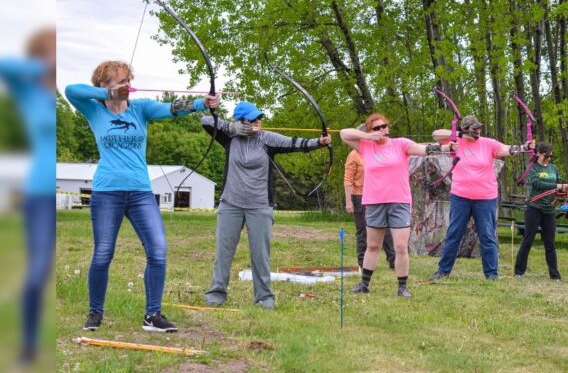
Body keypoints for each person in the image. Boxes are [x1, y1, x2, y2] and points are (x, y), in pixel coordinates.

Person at [64, 60, 220, 333]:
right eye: (120, 81)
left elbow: (171, 108)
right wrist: (109, 96)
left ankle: (153, 316)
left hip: (140, 192)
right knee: (102, 254)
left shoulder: (141, 109)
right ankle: (95, 312)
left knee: (158, 251)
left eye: (128, 80)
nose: (126, 85)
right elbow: (70, 90)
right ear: (104, 84)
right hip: (106, 192)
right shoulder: (93, 110)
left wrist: (201, 103)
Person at [203, 101, 332, 309]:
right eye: (253, 119)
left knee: (260, 255)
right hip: (230, 204)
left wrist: (319, 142)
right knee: (223, 253)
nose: (258, 122)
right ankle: (216, 294)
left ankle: (264, 298)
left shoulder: (267, 139)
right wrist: (233, 128)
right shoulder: (229, 138)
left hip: (260, 205)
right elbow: (207, 121)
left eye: (259, 118)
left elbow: (294, 142)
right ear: (242, 121)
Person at [340, 113, 455, 297]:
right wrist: (368, 136)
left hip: (399, 201)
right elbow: (344, 133)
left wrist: (446, 147)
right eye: (376, 128)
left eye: (384, 126)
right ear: (370, 131)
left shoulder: (400, 143)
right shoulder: (366, 147)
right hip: (375, 201)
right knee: (372, 245)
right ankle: (364, 284)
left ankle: (402, 287)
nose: (382, 130)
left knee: (400, 246)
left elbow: (423, 149)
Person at [0, 27, 55, 363]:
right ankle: (29, 342)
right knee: (37, 270)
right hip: (38, 194)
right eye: (51, 49)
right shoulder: (29, 92)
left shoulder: (62, 94)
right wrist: (42, 66)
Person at [427, 115, 534, 280]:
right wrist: (460, 134)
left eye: (479, 127)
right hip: (460, 197)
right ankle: (443, 271)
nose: (478, 130)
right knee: (454, 234)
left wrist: (523, 147)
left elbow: (506, 149)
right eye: (474, 128)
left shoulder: (487, 143)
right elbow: (436, 134)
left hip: (485, 197)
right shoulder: (456, 142)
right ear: (465, 129)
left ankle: (491, 274)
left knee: (487, 235)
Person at [513, 142, 568, 281]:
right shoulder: (532, 168)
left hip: (549, 209)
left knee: (550, 243)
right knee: (528, 240)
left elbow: (558, 184)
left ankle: (555, 275)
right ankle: (519, 272)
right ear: (538, 153)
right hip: (534, 208)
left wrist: (563, 191)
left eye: (551, 156)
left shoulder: (553, 168)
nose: (549, 158)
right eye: (546, 156)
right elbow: (537, 183)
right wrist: (557, 185)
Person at [344, 146, 396, 271]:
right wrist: (348, 201)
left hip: (377, 195)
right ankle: (362, 263)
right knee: (363, 231)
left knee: (386, 229)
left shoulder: (375, 153)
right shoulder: (354, 155)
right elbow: (348, 179)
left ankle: (393, 261)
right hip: (359, 196)